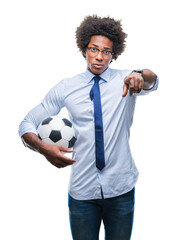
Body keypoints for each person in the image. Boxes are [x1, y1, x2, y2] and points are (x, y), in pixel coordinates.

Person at [19, 15, 158, 240]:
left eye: (106, 52)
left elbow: (153, 81)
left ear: (114, 55)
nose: (99, 57)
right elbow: (27, 123)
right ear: (84, 49)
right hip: (82, 192)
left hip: (121, 189)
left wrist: (142, 75)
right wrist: (43, 148)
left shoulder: (128, 80)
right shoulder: (67, 87)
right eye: (94, 49)